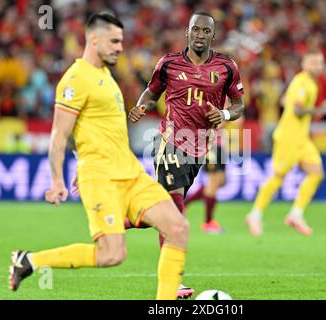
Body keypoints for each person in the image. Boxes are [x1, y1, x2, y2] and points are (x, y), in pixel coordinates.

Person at [8, 12, 189, 300]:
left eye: (122, 41)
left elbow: (98, 128)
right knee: (112, 255)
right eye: (114, 41)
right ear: (94, 38)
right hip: (101, 179)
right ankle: (29, 261)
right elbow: (58, 136)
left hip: (131, 174)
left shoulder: (105, 75)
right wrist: (57, 180)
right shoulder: (76, 79)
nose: (120, 47)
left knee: (178, 228)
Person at [128, 11, 244, 298]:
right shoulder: (168, 64)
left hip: (200, 147)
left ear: (212, 35)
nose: (200, 35)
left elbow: (240, 104)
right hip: (171, 142)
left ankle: (117, 218)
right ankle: (171, 282)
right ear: (187, 32)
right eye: (196, 29)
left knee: (165, 213)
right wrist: (142, 106)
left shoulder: (227, 67)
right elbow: (151, 92)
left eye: (206, 31)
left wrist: (225, 113)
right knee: (175, 216)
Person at [246, 50, 326, 237]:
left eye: (320, 63)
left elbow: (286, 100)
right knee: (278, 177)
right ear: (305, 64)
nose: (318, 66)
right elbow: (298, 110)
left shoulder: (308, 83)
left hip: (302, 138)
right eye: (314, 62)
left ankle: (296, 214)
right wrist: (319, 110)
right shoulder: (302, 82)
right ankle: (255, 214)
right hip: (289, 138)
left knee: (316, 173)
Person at [184, 128, 228, 234]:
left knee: (221, 180)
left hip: (219, 145)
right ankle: (208, 223)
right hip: (211, 145)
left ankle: (185, 204)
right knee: (213, 182)